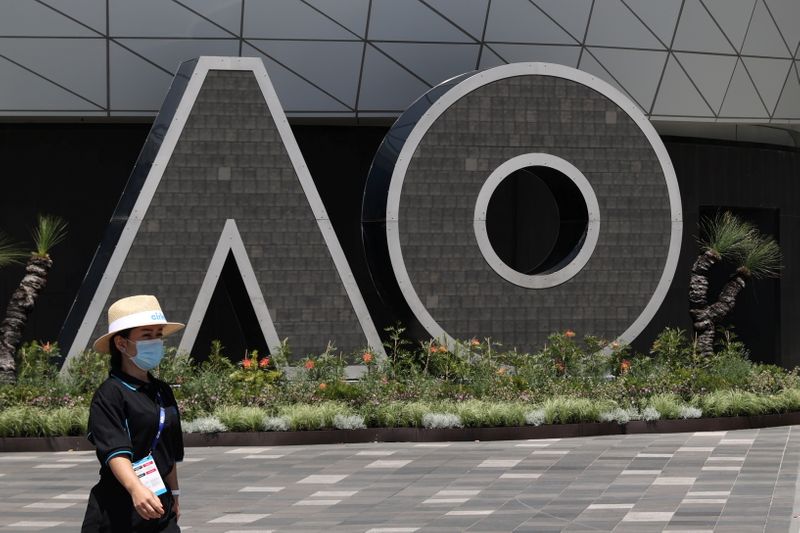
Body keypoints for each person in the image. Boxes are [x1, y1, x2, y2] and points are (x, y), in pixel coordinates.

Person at [81, 295, 185, 532]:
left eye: (158, 334)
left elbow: (168, 451)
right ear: (121, 343)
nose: (155, 341)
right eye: (146, 335)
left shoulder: (162, 391)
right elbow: (114, 450)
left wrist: (175, 494)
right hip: (118, 509)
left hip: (159, 504)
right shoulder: (110, 394)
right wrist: (136, 489)